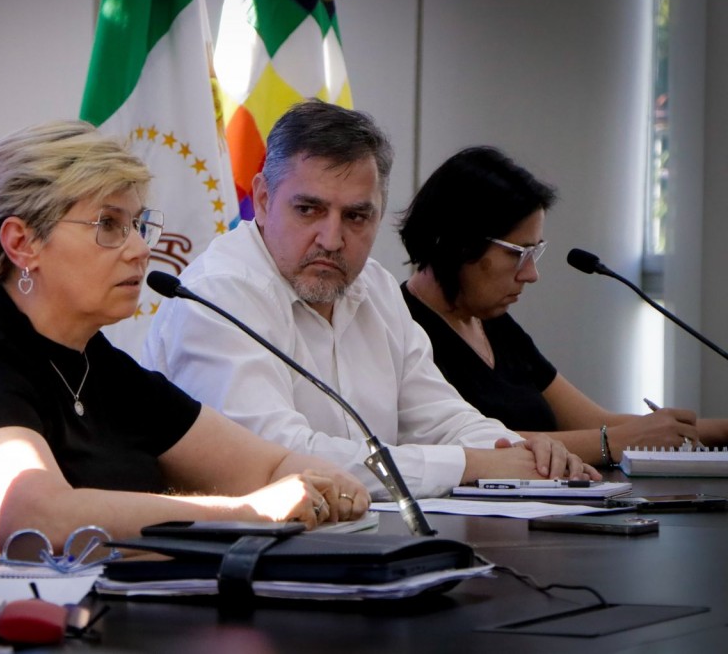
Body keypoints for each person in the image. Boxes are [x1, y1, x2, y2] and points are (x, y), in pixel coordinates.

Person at [0, 120, 371, 559]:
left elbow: (269, 467)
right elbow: (32, 520)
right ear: (22, 243)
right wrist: (247, 513)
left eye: (138, 225)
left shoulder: (103, 368)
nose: (141, 249)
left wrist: (330, 482)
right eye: (109, 225)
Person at [143, 101, 596, 499]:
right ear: (263, 200)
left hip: (366, 538)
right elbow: (278, 457)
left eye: (356, 216)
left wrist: (521, 453)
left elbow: (441, 417)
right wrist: (471, 464)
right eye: (308, 210)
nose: (332, 239)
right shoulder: (217, 294)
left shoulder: (373, 287)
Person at [397, 145, 721, 466]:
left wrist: (717, 430)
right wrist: (614, 442)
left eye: (534, 253)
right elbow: (471, 444)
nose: (531, 274)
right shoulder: (403, 327)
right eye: (517, 253)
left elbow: (596, 422)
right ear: (459, 243)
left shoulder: (493, 322)